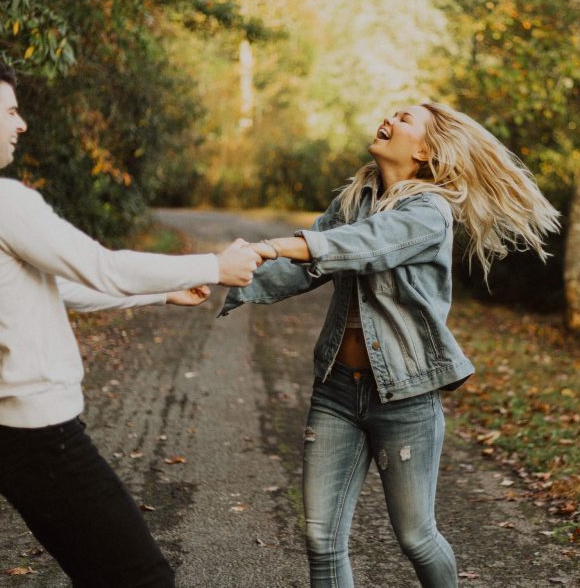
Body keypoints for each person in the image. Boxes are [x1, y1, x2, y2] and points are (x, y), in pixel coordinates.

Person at [0, 58, 262, 587]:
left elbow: (59, 288)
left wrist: (161, 293)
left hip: (5, 431)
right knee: (144, 579)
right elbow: (103, 265)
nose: (21, 124)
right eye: (10, 112)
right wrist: (215, 266)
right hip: (35, 436)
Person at [219, 102, 560, 587]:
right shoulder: (354, 201)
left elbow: (358, 245)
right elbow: (307, 265)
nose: (389, 118)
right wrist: (222, 279)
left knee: (416, 537)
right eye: (392, 112)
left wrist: (271, 242)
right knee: (321, 538)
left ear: (424, 149)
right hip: (337, 391)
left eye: (404, 118)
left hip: (405, 396)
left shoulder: (430, 212)